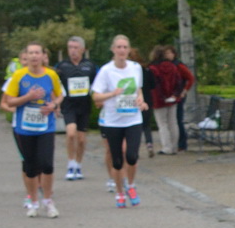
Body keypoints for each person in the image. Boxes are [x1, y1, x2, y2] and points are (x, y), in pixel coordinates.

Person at [1, 43, 65, 218]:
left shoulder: (51, 75)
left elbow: (60, 94)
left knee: (47, 164)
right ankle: (34, 201)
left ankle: (48, 200)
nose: (34, 56)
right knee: (30, 167)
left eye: (37, 53)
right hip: (25, 128)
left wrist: (53, 104)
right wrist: (28, 97)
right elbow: (9, 101)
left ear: (43, 56)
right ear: (26, 57)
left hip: (46, 126)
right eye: (31, 53)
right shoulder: (19, 75)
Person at [92, 35, 148, 208]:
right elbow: (95, 96)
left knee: (131, 156)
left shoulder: (135, 68)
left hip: (133, 119)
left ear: (129, 50)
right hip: (113, 121)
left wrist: (141, 101)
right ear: (113, 50)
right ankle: (119, 192)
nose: (122, 50)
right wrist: (112, 94)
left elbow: (138, 90)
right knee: (117, 160)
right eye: (119, 47)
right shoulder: (106, 71)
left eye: (125, 47)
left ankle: (130, 185)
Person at [55, 36, 97, 180]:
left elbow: (97, 84)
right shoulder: (62, 66)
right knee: (71, 133)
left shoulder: (90, 66)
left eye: (75, 48)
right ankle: (70, 163)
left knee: (81, 139)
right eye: (70, 48)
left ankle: (78, 165)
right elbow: (55, 85)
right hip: (69, 105)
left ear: (82, 49)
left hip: (84, 106)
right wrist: (56, 103)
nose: (72, 51)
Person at [145, 45, 194, 155]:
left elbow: (153, 85)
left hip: (159, 99)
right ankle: (174, 146)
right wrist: (176, 94)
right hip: (172, 98)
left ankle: (166, 147)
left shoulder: (152, 68)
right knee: (173, 123)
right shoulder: (173, 66)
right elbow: (178, 82)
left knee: (163, 124)